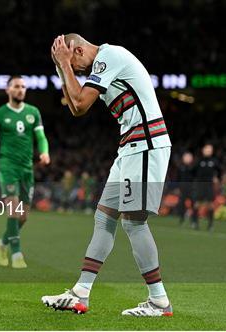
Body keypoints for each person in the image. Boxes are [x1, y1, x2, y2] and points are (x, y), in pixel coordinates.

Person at [42, 34, 172, 317]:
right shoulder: (98, 64)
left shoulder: (108, 56)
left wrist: (65, 65)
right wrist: (62, 66)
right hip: (129, 147)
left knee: (134, 223)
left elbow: (80, 104)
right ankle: (81, 293)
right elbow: (75, 105)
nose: (78, 72)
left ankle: (160, 301)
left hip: (146, 143)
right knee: (104, 218)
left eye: (76, 64)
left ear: (78, 49)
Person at [0, 75, 50, 269]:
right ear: (8, 90)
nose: (20, 90)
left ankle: (2, 243)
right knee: (14, 209)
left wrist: (44, 152)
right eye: (16, 86)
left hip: (27, 169)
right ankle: (16, 253)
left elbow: (41, 136)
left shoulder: (33, 112)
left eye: (23, 87)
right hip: (7, 167)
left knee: (23, 216)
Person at [191, 144, 221, 231]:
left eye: (210, 149)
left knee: (210, 205)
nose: (208, 151)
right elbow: (193, 171)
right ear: (203, 150)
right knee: (197, 204)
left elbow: (220, 171)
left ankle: (211, 225)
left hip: (209, 186)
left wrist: (217, 178)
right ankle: (195, 222)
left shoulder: (214, 161)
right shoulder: (199, 161)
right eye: (207, 149)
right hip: (200, 185)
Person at [176, 152, 195, 225]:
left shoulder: (193, 168)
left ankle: (193, 220)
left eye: (188, 157)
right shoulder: (181, 168)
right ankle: (182, 219)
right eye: (186, 157)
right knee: (182, 204)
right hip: (183, 189)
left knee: (193, 204)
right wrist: (178, 188)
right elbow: (178, 178)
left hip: (191, 189)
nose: (187, 159)